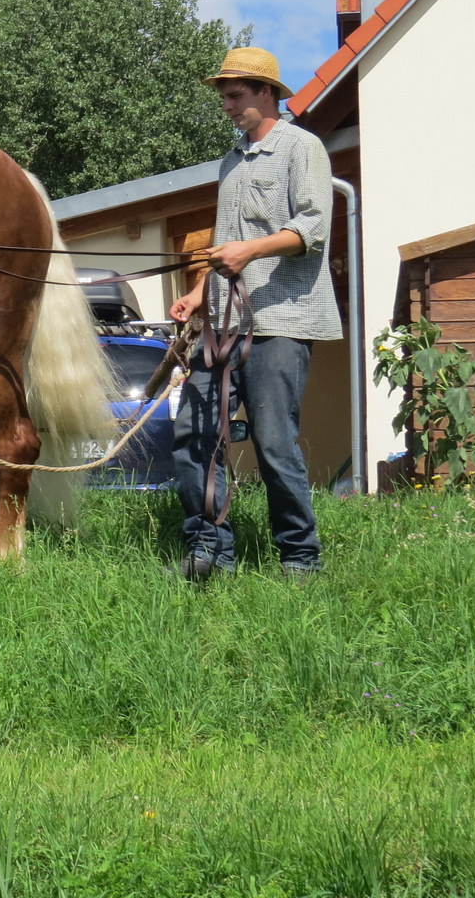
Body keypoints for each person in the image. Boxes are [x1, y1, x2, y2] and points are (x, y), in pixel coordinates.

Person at [167, 47, 341, 581]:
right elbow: (226, 243)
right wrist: (199, 293)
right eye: (222, 95)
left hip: (282, 321)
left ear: (267, 92)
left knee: (272, 441)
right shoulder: (230, 161)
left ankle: (299, 558)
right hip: (222, 321)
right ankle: (208, 552)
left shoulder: (302, 148)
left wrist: (251, 251)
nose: (226, 103)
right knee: (194, 432)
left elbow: (312, 229)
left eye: (235, 94)